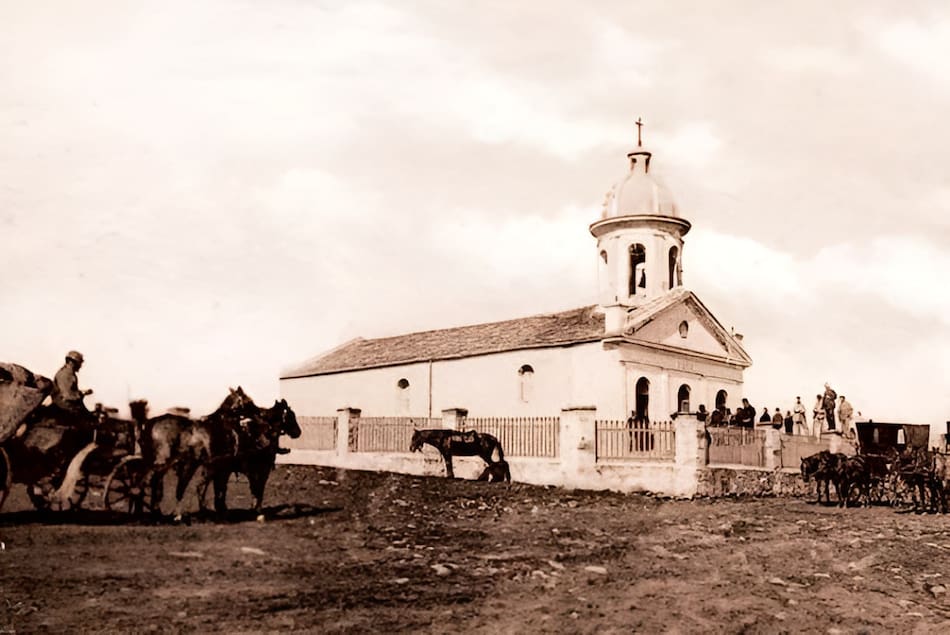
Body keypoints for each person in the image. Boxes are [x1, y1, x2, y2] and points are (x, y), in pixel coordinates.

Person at [51, 350, 94, 425]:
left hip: (68, 407)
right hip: (65, 408)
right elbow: (67, 395)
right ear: (71, 362)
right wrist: (81, 394)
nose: (80, 366)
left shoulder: (70, 374)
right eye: (79, 363)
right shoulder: (65, 375)